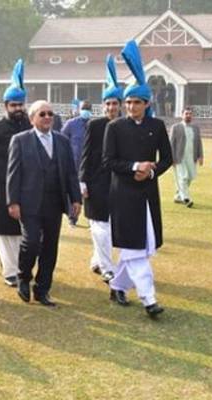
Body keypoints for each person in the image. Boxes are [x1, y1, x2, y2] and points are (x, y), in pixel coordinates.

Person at [102, 41, 172, 319]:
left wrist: (151, 171)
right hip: (123, 195)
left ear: (147, 103)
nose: (130, 106)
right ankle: (148, 298)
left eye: (136, 102)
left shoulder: (157, 126)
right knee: (134, 248)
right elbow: (109, 161)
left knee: (141, 245)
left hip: (148, 194)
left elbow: (167, 158)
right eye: (127, 101)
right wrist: (134, 166)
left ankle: (118, 285)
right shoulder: (114, 127)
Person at [7, 100, 82, 307]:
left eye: (50, 114)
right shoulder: (20, 140)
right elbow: (13, 173)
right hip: (29, 202)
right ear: (32, 119)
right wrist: (12, 201)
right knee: (31, 243)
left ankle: (42, 290)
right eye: (42, 114)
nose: (48, 117)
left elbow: (70, 173)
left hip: (54, 202)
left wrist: (75, 198)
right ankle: (23, 276)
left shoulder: (62, 141)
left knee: (50, 247)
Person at [0, 59, 32, 287]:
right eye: (13, 105)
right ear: (5, 106)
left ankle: (15, 265)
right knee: (5, 231)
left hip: (26, 186)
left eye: (20, 105)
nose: (17, 109)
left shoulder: (30, 126)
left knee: (22, 230)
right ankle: (10, 272)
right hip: (0, 185)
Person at [79, 55, 122, 283]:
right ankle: (107, 267)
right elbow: (86, 154)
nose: (111, 107)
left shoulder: (125, 125)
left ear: (120, 105)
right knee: (99, 226)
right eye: (107, 103)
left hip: (118, 183)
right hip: (96, 182)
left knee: (108, 226)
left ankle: (97, 259)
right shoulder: (94, 125)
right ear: (103, 105)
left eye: (115, 103)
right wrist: (82, 181)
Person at [170, 107, 203, 208]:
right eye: (186, 114)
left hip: (191, 157)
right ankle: (186, 198)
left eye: (190, 114)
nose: (188, 115)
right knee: (183, 177)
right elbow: (171, 143)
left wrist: (201, 156)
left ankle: (178, 196)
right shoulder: (176, 127)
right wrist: (171, 158)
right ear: (182, 115)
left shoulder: (195, 128)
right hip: (179, 157)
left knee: (189, 177)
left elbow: (199, 142)